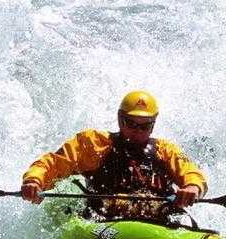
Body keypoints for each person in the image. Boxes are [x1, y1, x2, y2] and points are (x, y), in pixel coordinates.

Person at [21, 90, 207, 221]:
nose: (137, 131)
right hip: (105, 221)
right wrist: (35, 181)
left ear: (153, 124)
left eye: (145, 126)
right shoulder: (93, 143)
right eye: (130, 123)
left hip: (160, 222)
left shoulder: (166, 150)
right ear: (120, 118)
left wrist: (192, 188)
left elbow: (191, 172)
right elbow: (52, 163)